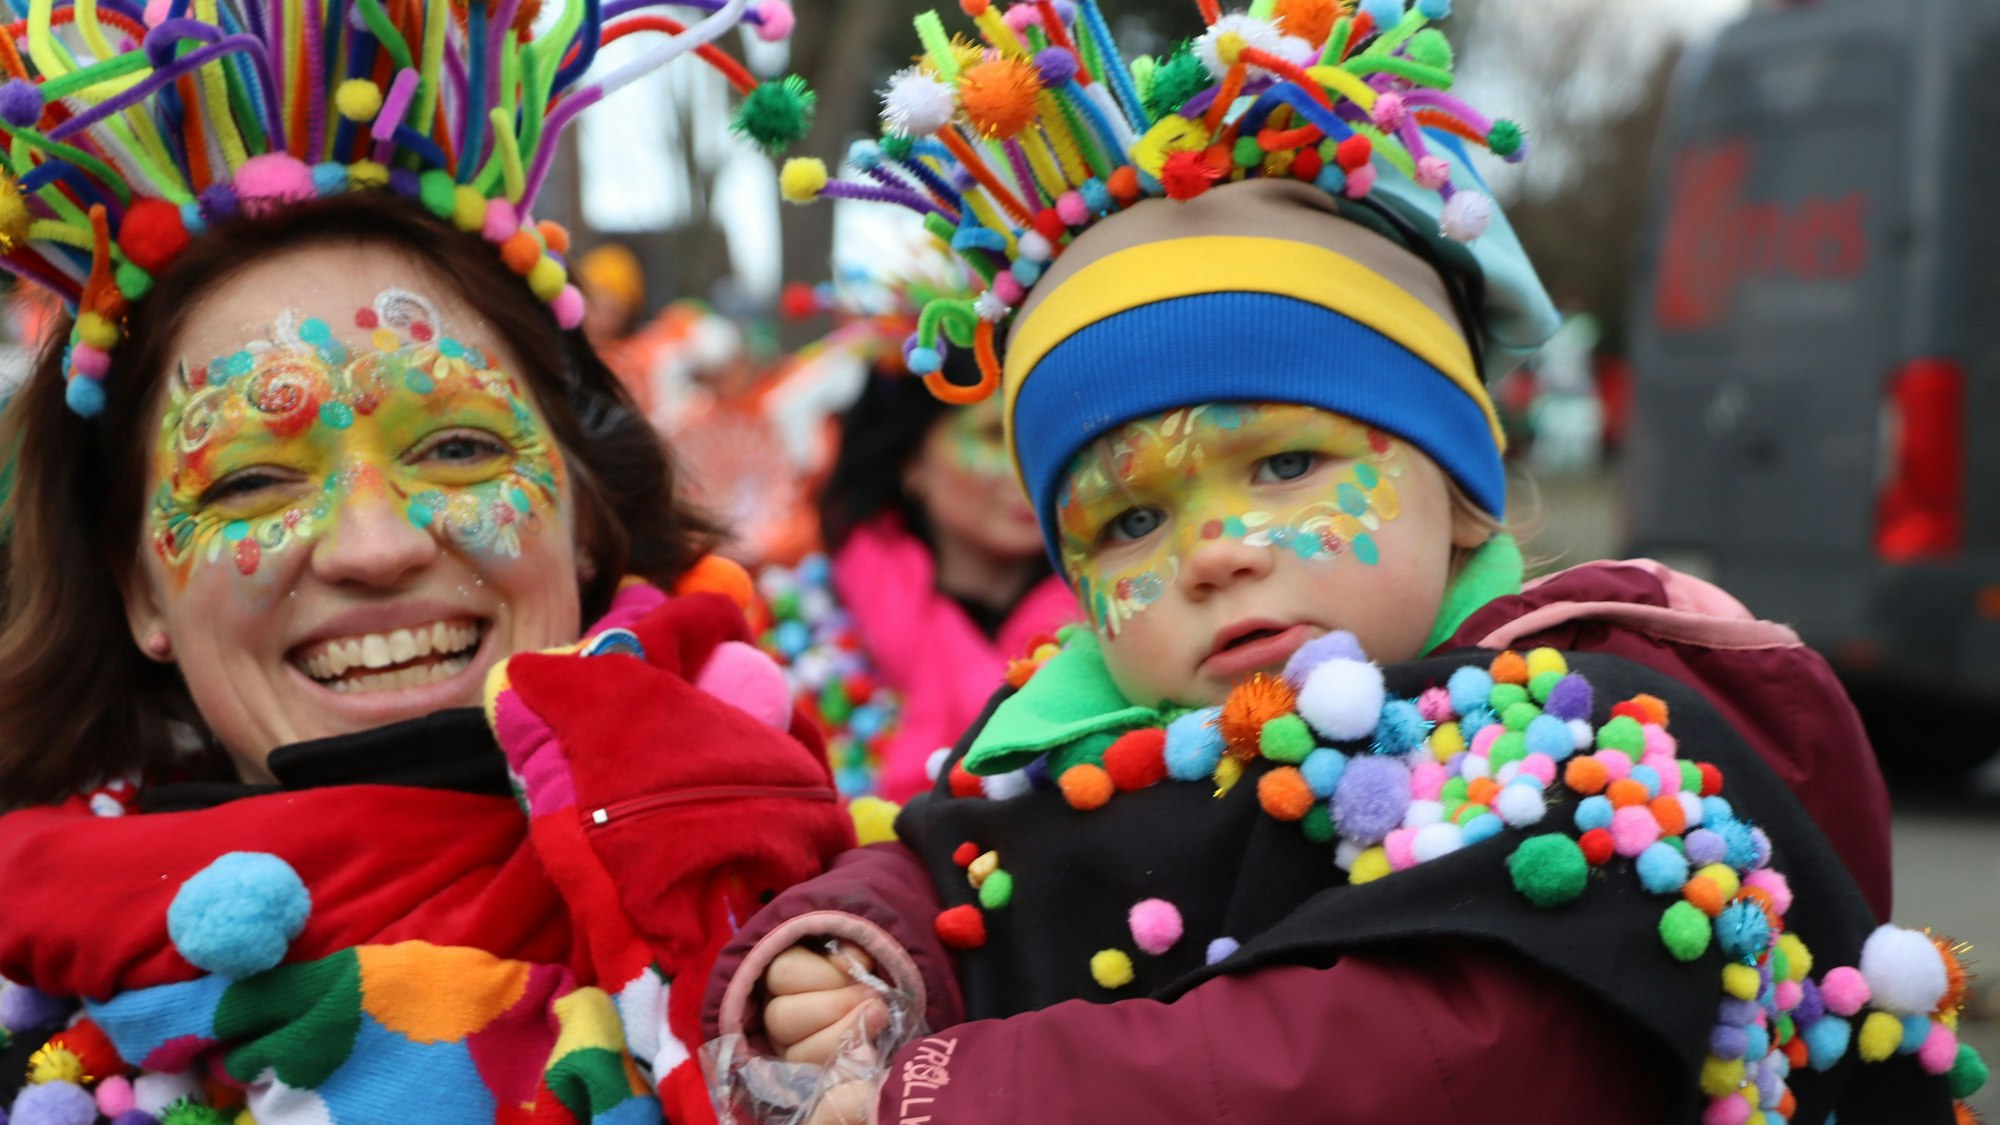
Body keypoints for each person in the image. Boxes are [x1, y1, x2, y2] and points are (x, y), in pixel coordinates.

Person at [702, 2, 1987, 1122]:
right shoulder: (1081, 742)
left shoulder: (1591, 737)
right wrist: (856, 952)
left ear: (1459, 491)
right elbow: (947, 857)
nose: (1212, 552)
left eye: (1282, 464)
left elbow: (1444, 1057)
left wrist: (960, 1092)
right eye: (1129, 524)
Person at [0, 0, 851, 1121]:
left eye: (456, 449)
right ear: (136, 589)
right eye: (252, 481)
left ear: (585, 515)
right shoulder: (38, 1018)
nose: (378, 546)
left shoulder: (853, 934)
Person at [778, 350, 1077, 802]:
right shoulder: (799, 623)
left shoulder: (1123, 611)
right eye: (994, 435)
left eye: (1039, 434)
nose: (1027, 466)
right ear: (911, 460)